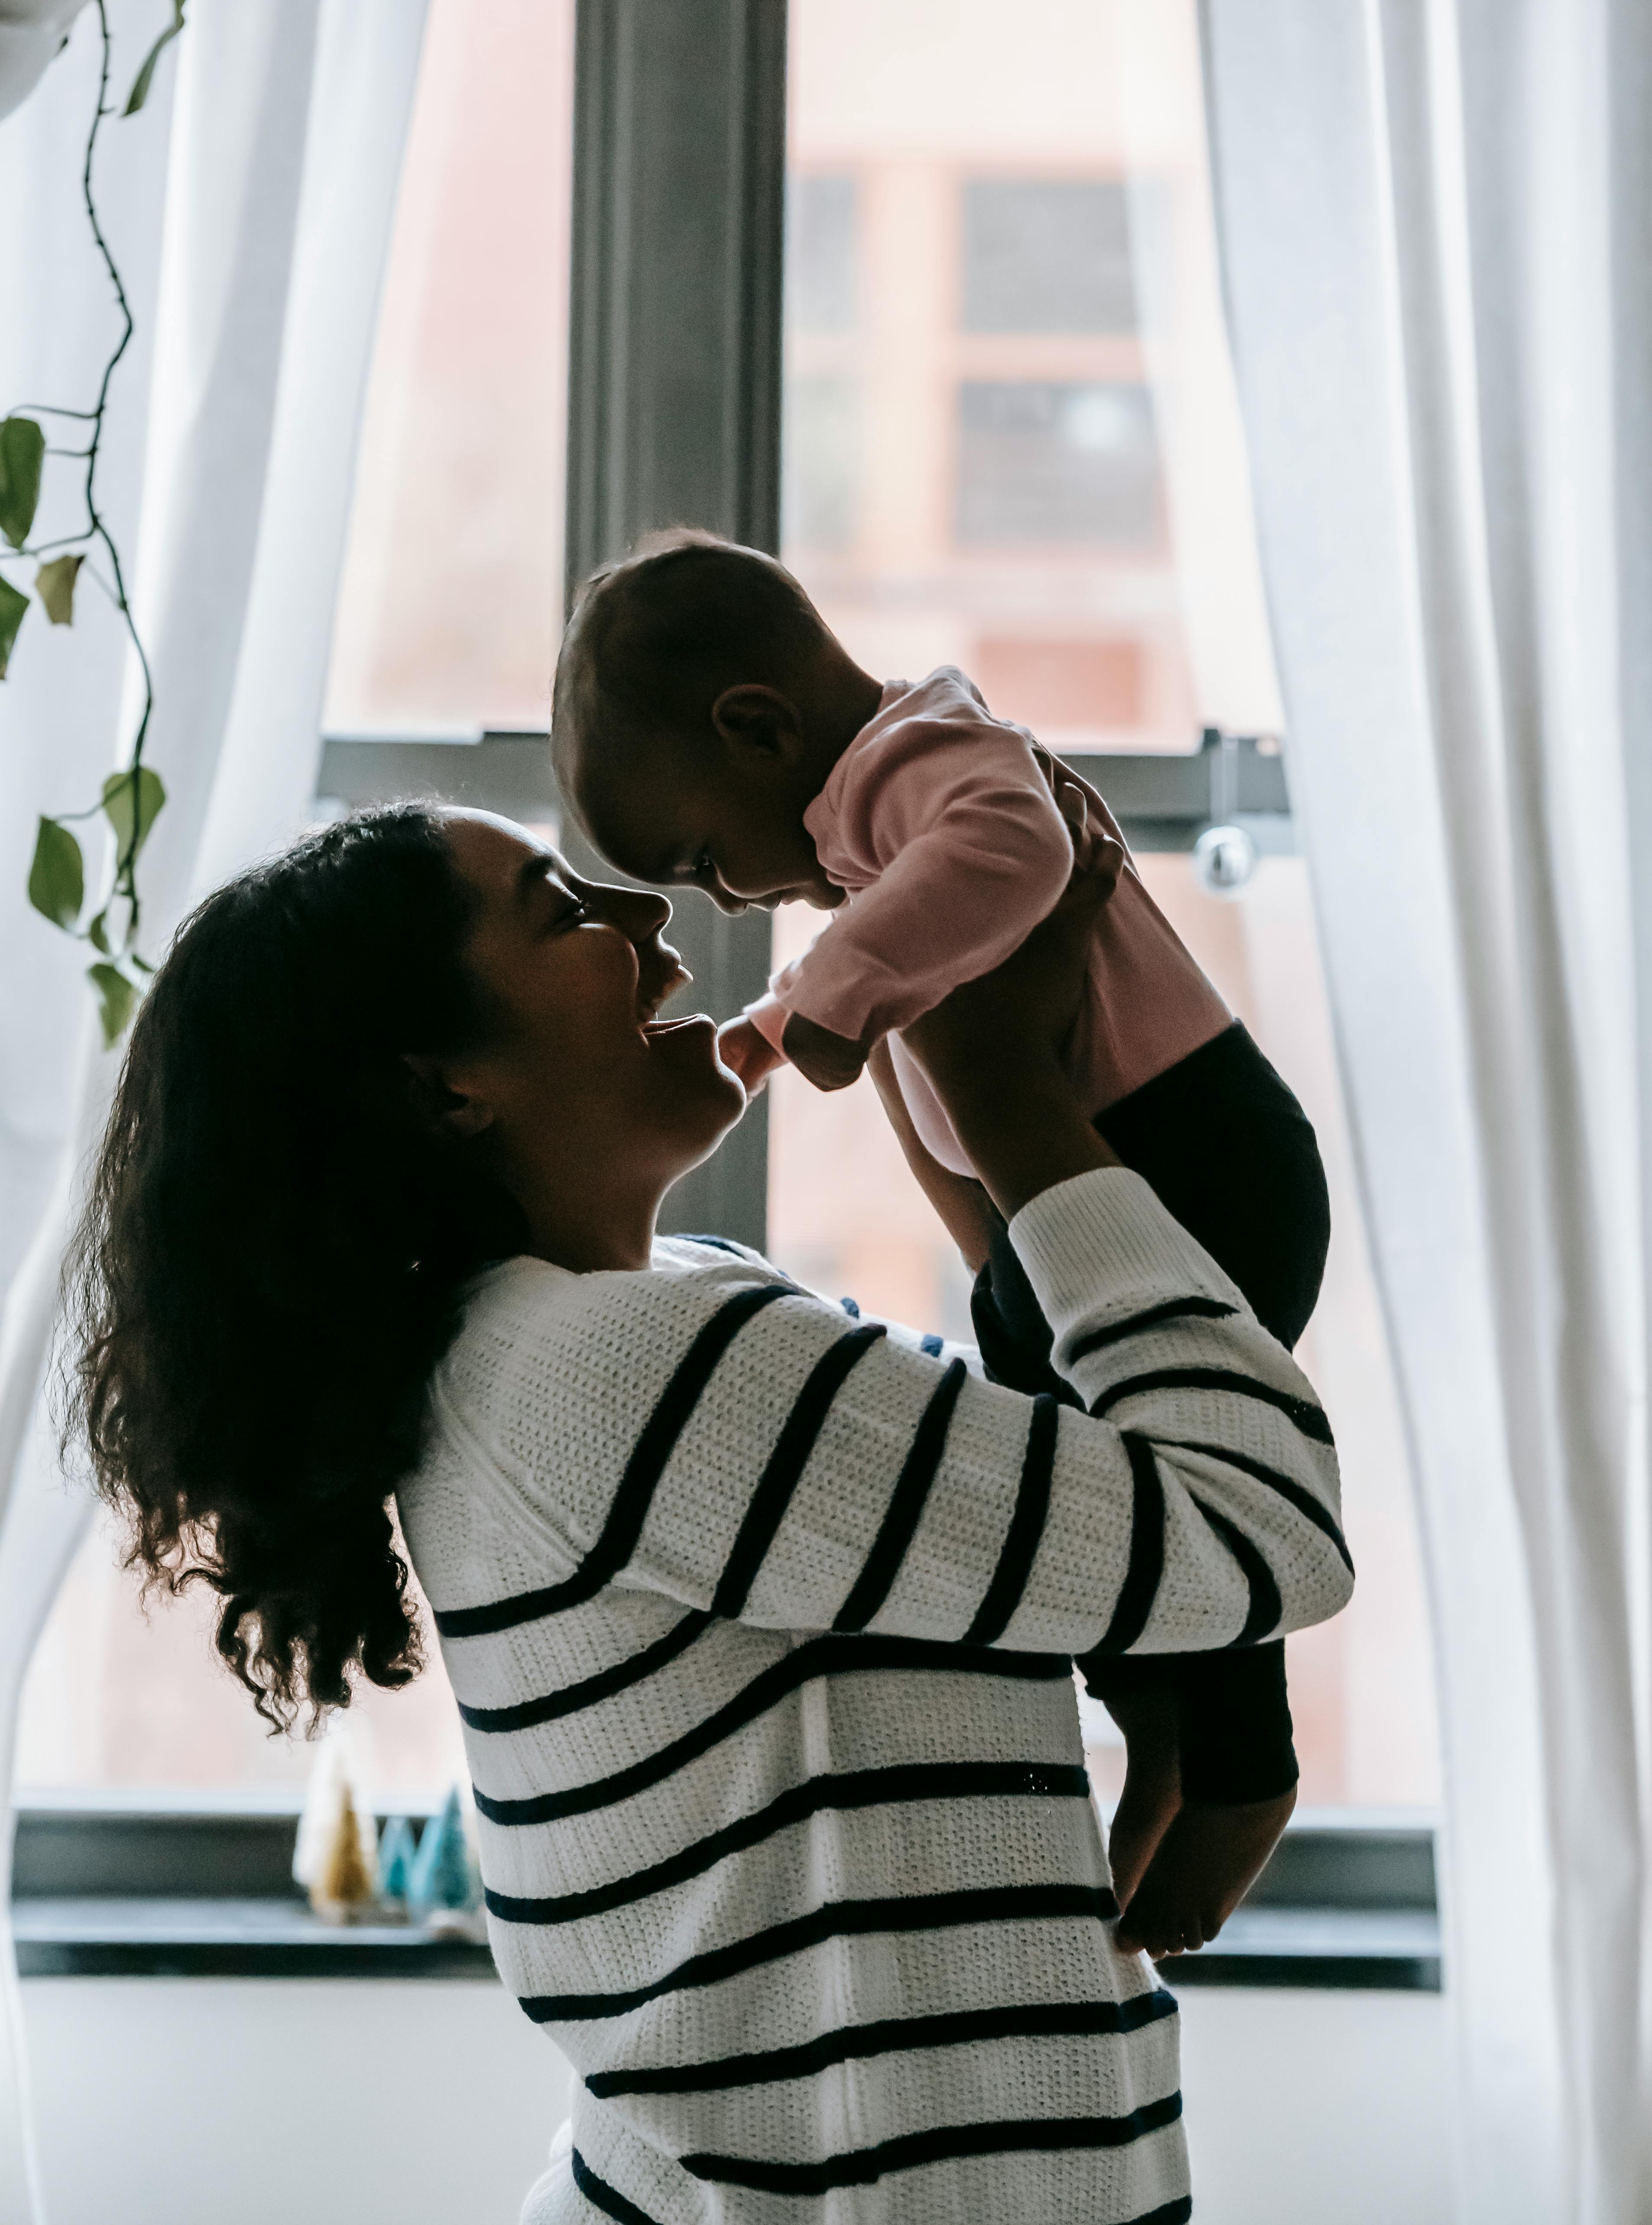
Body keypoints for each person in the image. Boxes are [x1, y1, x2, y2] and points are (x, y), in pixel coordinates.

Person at [63, 799, 1352, 2225]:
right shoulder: (617, 1372)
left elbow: (1041, 1502)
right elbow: (1258, 1529)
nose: (654, 928)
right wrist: (1007, 1097)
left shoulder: (647, 1316)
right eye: (565, 913)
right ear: (445, 1090)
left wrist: (949, 1088)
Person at [552, 528, 1331, 1944]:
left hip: (1194, 1162)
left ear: (758, 727)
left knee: (1178, 1481)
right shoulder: (869, 840)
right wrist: (804, 1037)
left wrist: (825, 1002)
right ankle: (1160, 1725)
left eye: (706, 857)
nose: (724, 897)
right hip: (1069, 1210)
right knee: (1081, 1477)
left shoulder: (927, 757)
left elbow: (1017, 847)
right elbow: (931, 1020)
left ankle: (1241, 1767)